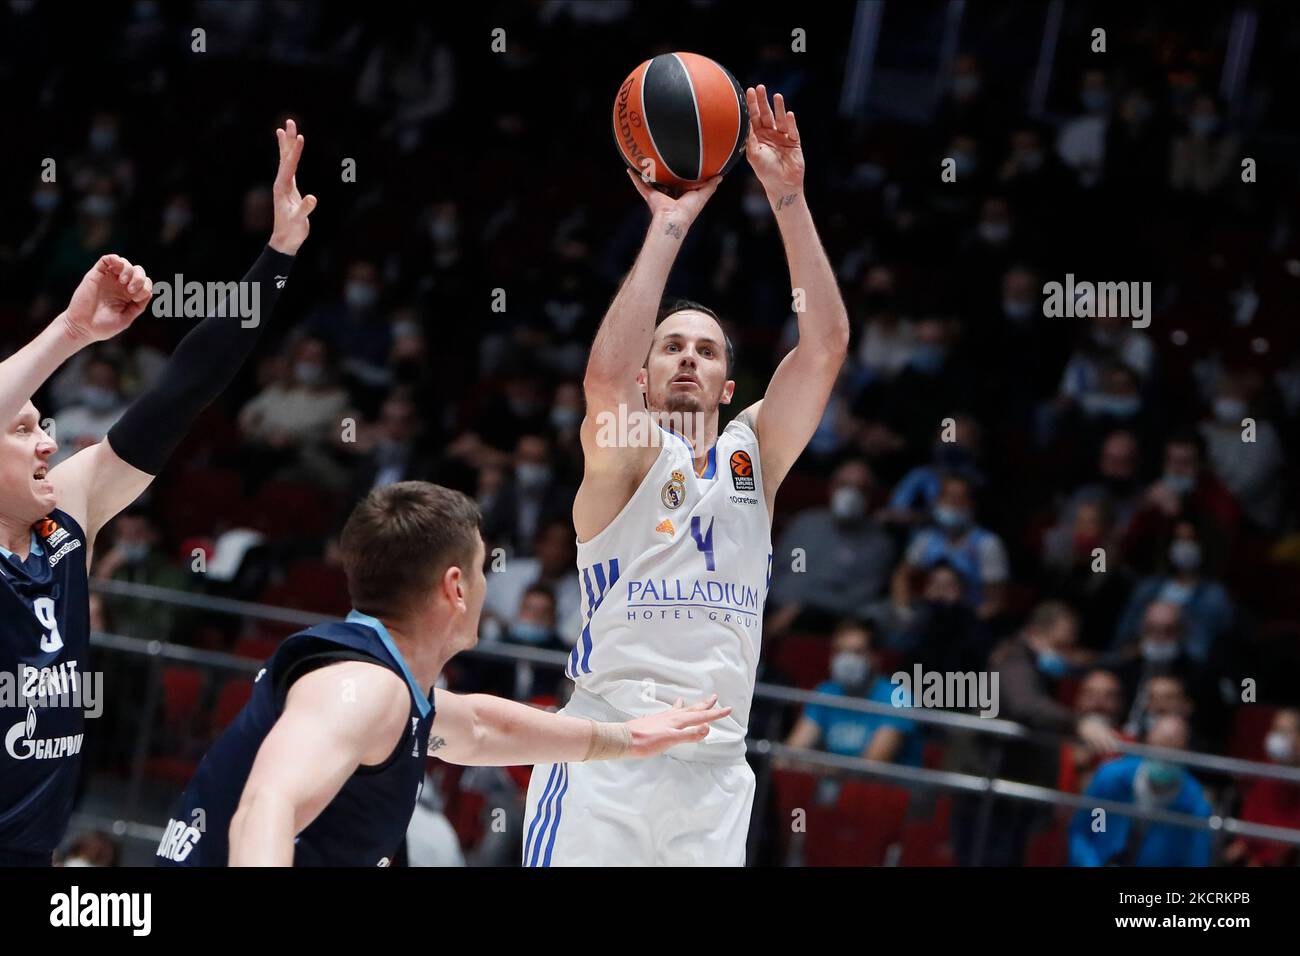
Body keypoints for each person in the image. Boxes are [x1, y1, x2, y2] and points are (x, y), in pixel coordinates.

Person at [523, 84, 849, 866]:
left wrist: (790, 200)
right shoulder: (628, 453)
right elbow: (602, 383)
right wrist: (669, 225)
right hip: (607, 758)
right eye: (671, 346)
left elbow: (826, 346)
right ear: (646, 374)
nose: (689, 359)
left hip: (714, 774)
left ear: (730, 387)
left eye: (706, 351)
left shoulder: (755, 455)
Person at [0, 121, 315, 867]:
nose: (48, 441)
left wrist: (277, 256)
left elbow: (183, 390)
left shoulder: (67, 516)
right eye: (21, 430)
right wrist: (73, 333)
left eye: (45, 424)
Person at [155, 482, 728, 867]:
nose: (485, 588)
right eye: (481, 571)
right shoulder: (361, 689)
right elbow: (266, 807)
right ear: (455, 587)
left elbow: (479, 727)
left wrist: (630, 738)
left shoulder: (388, 685)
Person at [1069, 714, 1212, 867]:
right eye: (1160, 746)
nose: (1164, 755)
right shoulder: (1110, 778)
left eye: (1173, 749)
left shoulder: (1195, 806)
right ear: (1147, 742)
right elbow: (1082, 833)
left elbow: (1196, 861)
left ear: (1186, 752)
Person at [782, 619, 922, 766]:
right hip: (832, 784)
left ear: (875, 657)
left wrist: (814, 767)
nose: (846, 660)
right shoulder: (826, 692)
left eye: (856, 652)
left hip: (884, 788)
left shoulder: (899, 698)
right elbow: (790, 753)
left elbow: (871, 765)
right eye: (840, 652)